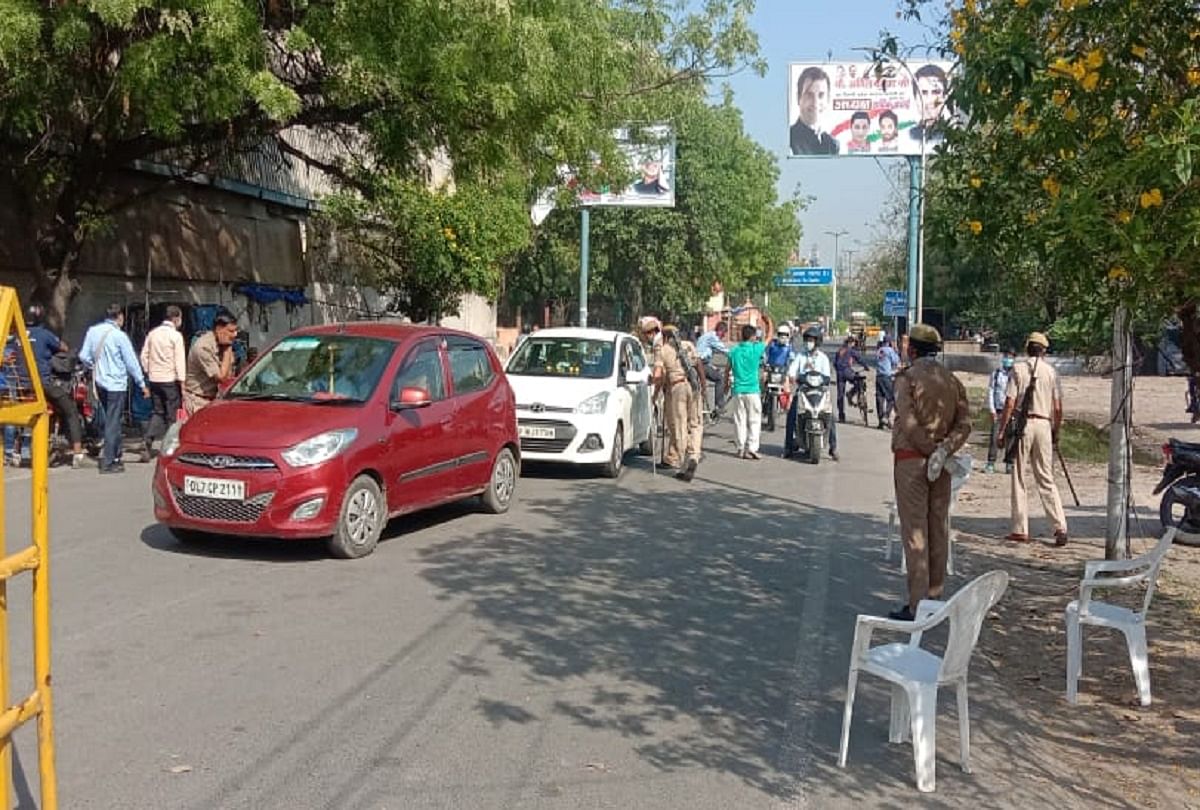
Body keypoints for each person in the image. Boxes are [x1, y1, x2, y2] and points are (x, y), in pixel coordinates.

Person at [889, 324, 972, 620]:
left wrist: (928, 450)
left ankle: (916, 606)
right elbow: (965, 424)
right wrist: (944, 450)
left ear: (912, 349)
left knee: (915, 533)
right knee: (939, 529)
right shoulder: (952, 382)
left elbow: (908, 423)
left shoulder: (907, 379)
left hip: (912, 461)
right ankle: (935, 598)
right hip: (943, 465)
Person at [997, 332, 1069, 546]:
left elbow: (1010, 404)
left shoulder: (1018, 369)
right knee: (1046, 477)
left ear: (1027, 348)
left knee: (1019, 476)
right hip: (1045, 425)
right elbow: (1057, 407)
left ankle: (1020, 528)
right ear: (1044, 350)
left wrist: (1001, 431)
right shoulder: (1051, 372)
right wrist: (1056, 431)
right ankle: (1059, 526)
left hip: (1024, 425)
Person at [79, 303, 149, 474]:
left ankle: (116, 456)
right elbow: (131, 362)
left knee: (112, 420)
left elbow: (83, 356)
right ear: (119, 317)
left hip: (100, 383)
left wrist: (94, 366)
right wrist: (141, 383)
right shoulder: (120, 336)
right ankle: (109, 461)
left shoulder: (93, 331)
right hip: (116, 384)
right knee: (113, 422)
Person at [16, 304, 85, 468]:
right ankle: (77, 452)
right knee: (71, 411)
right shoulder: (44, 334)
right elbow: (63, 347)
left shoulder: (18, 335)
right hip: (43, 384)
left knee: (22, 416)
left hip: (23, 386)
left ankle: (16, 452)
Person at [652, 325, 703, 482]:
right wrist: (704, 386)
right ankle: (694, 455)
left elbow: (659, 376)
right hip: (693, 385)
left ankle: (684, 463)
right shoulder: (688, 345)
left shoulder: (663, 350)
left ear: (665, 336)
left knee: (680, 425)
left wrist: (654, 392)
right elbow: (699, 365)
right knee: (695, 424)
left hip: (677, 387)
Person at [785, 325, 838, 461]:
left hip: (820, 392)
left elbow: (826, 376)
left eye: (812, 340)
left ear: (817, 341)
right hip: (803, 391)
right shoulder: (800, 356)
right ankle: (788, 446)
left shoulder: (823, 358)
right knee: (791, 415)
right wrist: (791, 377)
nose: (809, 342)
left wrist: (824, 380)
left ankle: (833, 448)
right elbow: (792, 370)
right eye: (807, 339)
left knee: (830, 417)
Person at [140, 305, 186, 461]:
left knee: (158, 412)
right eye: (180, 318)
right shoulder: (176, 336)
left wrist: (149, 370)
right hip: (170, 380)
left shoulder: (152, 334)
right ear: (175, 318)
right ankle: (170, 446)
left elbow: (144, 356)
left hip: (154, 379)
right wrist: (182, 381)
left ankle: (148, 440)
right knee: (172, 415)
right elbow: (179, 360)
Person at [184, 311, 238, 415]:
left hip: (215, 400)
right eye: (231, 331)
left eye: (236, 331)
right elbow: (222, 378)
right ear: (218, 329)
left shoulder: (223, 344)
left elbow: (230, 375)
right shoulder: (203, 347)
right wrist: (227, 350)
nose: (235, 335)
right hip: (198, 401)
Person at [729, 324, 766, 459]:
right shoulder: (756, 349)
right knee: (754, 420)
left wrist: (727, 387)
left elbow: (728, 369)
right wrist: (768, 323)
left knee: (739, 420)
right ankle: (752, 448)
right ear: (752, 336)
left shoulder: (734, 351)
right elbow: (768, 338)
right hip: (752, 390)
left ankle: (740, 448)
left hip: (738, 390)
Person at [789, 66, 839, 156]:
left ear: (828, 99)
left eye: (821, 95)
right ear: (798, 98)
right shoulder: (790, 140)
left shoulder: (833, 144)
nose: (815, 103)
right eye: (809, 95)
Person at [985, 351, 1016, 474]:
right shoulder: (996, 374)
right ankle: (991, 462)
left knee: (1011, 437)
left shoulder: (1016, 375)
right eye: (1006, 357)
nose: (1008, 359)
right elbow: (991, 391)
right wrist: (992, 410)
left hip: (1012, 411)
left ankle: (1009, 463)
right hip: (999, 410)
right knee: (995, 437)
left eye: (1011, 357)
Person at [696, 321, 730, 419]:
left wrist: (713, 366)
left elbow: (705, 353)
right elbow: (724, 350)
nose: (723, 337)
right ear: (720, 331)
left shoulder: (706, 336)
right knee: (720, 379)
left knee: (716, 372)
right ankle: (719, 405)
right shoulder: (713, 337)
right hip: (700, 364)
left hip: (701, 362)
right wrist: (737, 355)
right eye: (723, 334)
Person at [909, 64, 948, 145]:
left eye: (935, 92)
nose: (930, 100)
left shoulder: (951, 134)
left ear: (945, 97)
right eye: (923, 93)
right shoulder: (910, 136)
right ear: (915, 97)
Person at [833, 336, 869, 423]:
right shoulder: (850, 350)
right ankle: (851, 393)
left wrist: (838, 371)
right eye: (853, 343)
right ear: (851, 343)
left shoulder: (839, 350)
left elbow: (834, 363)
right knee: (859, 381)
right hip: (847, 371)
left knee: (840, 394)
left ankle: (841, 416)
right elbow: (859, 359)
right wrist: (866, 366)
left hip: (839, 373)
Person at [875, 335, 901, 430]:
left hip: (878, 377)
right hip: (886, 377)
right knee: (891, 398)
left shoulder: (879, 350)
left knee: (880, 399)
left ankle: (881, 422)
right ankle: (886, 417)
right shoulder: (889, 350)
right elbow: (896, 361)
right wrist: (895, 350)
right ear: (890, 342)